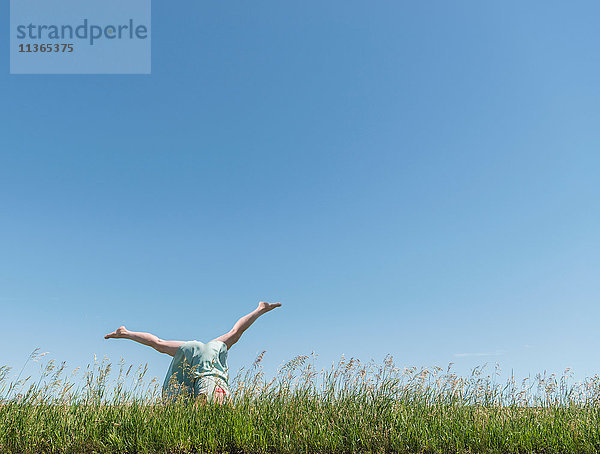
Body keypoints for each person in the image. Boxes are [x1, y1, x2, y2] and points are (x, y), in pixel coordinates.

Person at [104, 301, 282, 404]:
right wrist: (260, 311)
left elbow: (158, 343)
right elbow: (237, 332)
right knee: (234, 333)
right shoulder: (212, 370)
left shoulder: (199, 359)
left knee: (160, 343)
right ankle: (259, 309)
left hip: (196, 350)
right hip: (213, 351)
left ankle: (125, 333)